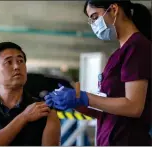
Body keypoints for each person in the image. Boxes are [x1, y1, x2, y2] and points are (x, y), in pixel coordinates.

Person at [45, 0, 152, 146]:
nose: (94, 25)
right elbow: (105, 111)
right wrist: (75, 101)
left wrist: (85, 97)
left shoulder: (137, 47)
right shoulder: (118, 54)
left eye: (95, 17)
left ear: (114, 9)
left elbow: (134, 107)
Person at [0, 42, 61, 146]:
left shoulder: (44, 110)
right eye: (8, 62)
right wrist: (24, 117)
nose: (17, 66)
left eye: (20, 61)